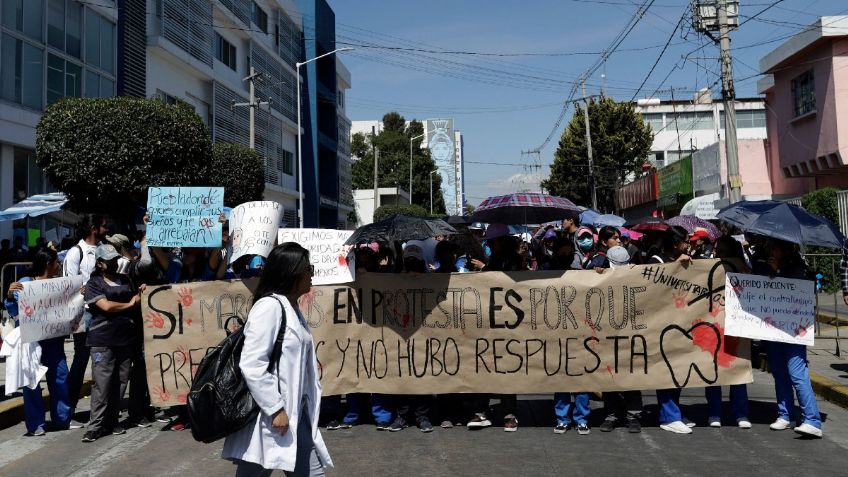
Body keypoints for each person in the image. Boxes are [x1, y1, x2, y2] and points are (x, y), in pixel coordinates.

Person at [222, 243, 334, 476]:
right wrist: (275, 409)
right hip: (271, 417)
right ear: (292, 273)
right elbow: (252, 363)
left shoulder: (291, 307)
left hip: (297, 412)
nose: (312, 275)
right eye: (308, 269)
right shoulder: (269, 307)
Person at [753, 238, 823, 438]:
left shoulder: (798, 268)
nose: (771, 253)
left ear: (785, 250)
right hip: (775, 329)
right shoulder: (772, 267)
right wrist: (772, 272)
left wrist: (779, 272)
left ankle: (812, 420)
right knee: (779, 372)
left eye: (774, 249)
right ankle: (785, 414)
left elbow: (797, 291)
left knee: (797, 373)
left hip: (793, 332)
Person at [4, 248, 73, 435]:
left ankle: (62, 419)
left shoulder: (60, 284)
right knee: (32, 381)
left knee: (60, 377)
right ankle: (36, 425)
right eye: (57, 263)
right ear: (48, 264)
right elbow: (13, 309)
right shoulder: (24, 284)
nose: (59, 266)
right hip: (32, 340)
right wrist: (10, 296)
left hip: (53, 339)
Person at [81, 244, 145, 442]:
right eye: (109, 260)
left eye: (115, 259)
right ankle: (95, 426)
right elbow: (106, 306)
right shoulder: (94, 284)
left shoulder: (125, 279)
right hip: (103, 340)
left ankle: (111, 421)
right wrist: (130, 303)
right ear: (100, 264)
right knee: (101, 384)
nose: (114, 262)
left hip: (125, 339)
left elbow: (138, 298)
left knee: (120, 381)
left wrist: (141, 293)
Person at [649, 226, 697, 434]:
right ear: (675, 243)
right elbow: (652, 290)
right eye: (685, 241)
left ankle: (674, 411)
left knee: (677, 370)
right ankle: (669, 416)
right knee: (666, 370)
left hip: (680, 324)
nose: (688, 245)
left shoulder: (685, 261)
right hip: (661, 325)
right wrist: (674, 267)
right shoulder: (655, 261)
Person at [64, 213, 109, 426]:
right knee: (81, 361)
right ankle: (68, 410)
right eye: (104, 226)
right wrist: (81, 292)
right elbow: (67, 287)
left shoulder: (103, 250)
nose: (106, 230)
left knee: (101, 361)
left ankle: (100, 409)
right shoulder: (76, 253)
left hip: (102, 311)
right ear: (93, 228)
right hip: (84, 314)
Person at [704, 236, 751, 429]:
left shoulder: (743, 268)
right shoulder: (707, 266)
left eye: (721, 251)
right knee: (713, 369)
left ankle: (741, 413)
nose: (717, 254)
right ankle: (714, 412)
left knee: (737, 367)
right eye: (716, 250)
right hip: (714, 324)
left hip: (736, 325)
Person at [388, 244, 435, 432]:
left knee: (423, 376)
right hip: (402, 335)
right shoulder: (394, 279)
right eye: (409, 261)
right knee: (403, 376)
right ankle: (402, 416)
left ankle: (422, 416)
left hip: (425, 335)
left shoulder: (431, 280)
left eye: (415, 261)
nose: (412, 264)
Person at [480, 223, 522, 432]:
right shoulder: (498, 259)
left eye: (490, 241)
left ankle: (509, 413)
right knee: (489, 365)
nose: (488, 245)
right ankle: (488, 412)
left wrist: (485, 270)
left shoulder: (512, 261)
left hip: (507, 321)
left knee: (505, 367)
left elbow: (508, 283)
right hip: (494, 320)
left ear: (499, 242)